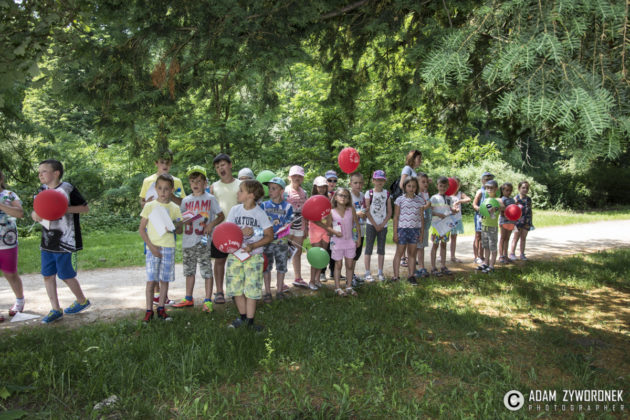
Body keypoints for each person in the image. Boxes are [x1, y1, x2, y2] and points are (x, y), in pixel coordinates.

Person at [31, 159, 90, 324]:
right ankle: (55, 309)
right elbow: (36, 211)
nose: (40, 175)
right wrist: (35, 215)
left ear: (56, 173)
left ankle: (82, 301)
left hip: (66, 241)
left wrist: (62, 209)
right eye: (39, 172)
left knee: (65, 275)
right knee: (47, 275)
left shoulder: (67, 189)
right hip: (47, 241)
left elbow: (85, 208)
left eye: (44, 171)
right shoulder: (41, 190)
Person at [172, 166, 224, 311]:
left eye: (199, 181)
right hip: (188, 241)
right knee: (189, 271)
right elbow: (181, 221)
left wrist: (211, 224)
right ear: (189, 183)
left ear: (205, 183)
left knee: (206, 270)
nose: (195, 184)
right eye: (192, 181)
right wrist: (178, 224)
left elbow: (221, 216)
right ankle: (188, 298)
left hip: (204, 240)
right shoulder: (185, 201)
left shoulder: (210, 198)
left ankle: (207, 300)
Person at [139, 149, 185, 306]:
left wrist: (171, 197)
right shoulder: (148, 181)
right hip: (153, 230)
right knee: (153, 268)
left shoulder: (176, 181)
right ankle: (155, 297)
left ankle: (162, 301)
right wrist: (149, 202)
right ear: (156, 163)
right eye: (161, 162)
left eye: (167, 162)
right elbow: (143, 203)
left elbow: (182, 204)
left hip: (168, 234)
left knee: (165, 270)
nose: (164, 165)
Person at [225, 180, 273, 331]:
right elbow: (227, 231)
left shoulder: (260, 213)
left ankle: (250, 322)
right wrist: (240, 232)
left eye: (241, 190)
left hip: (254, 257)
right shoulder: (235, 210)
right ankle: (243, 317)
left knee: (252, 289)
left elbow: (269, 235)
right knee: (236, 288)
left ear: (251, 195)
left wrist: (253, 246)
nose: (238, 193)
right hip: (235, 255)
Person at [209, 153, 241, 305]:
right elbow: (210, 209)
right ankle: (219, 291)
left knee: (237, 262)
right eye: (217, 167)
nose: (220, 169)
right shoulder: (213, 187)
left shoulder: (241, 185)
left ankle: (235, 290)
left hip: (238, 230)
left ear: (230, 165)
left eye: (222, 165)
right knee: (220, 261)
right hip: (219, 231)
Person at [261, 177, 294, 302]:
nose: (270, 191)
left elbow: (289, 222)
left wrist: (284, 229)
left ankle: (279, 291)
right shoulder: (264, 205)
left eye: (274, 188)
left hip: (281, 242)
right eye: (269, 188)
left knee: (281, 266)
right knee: (266, 267)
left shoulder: (288, 206)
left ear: (281, 191)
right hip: (267, 242)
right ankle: (267, 292)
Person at [0, 170, 25, 322]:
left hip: (7, 242)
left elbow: (20, 213)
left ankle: (20, 301)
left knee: (10, 274)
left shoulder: (9, 195)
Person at [392, 177, 425, 285]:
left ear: (416, 187)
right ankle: (395, 276)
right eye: (409, 186)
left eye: (414, 186)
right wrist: (395, 233)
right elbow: (396, 217)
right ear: (405, 187)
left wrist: (421, 233)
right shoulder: (399, 200)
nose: (411, 188)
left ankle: (411, 276)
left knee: (412, 253)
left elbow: (421, 217)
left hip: (414, 230)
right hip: (402, 230)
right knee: (399, 252)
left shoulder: (420, 200)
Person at [329, 188, 360, 296]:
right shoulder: (331, 211)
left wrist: (358, 238)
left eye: (346, 196)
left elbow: (356, 224)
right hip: (337, 242)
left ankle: (349, 287)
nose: (343, 197)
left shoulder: (351, 209)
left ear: (348, 198)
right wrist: (334, 232)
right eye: (341, 195)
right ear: (335, 197)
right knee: (338, 264)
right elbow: (328, 227)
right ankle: (337, 288)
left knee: (350, 264)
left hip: (350, 241)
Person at [303, 176, 331, 290]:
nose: (322, 189)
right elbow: (308, 215)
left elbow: (330, 214)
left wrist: (329, 228)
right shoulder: (312, 199)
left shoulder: (328, 199)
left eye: (324, 186)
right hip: (315, 230)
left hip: (325, 230)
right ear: (315, 187)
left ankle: (318, 279)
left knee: (323, 255)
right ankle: (311, 280)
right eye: (320, 187)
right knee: (316, 256)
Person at [363, 170, 391, 282]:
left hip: (383, 226)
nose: (379, 182)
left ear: (384, 181)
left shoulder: (387, 193)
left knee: (381, 249)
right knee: (368, 248)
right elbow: (367, 211)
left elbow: (389, 212)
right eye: (377, 180)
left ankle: (380, 272)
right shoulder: (369, 193)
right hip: (371, 225)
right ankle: (367, 272)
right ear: (373, 181)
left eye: (382, 180)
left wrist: (382, 224)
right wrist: (375, 225)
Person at [398, 150, 423, 267]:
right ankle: (403, 258)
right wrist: (409, 197)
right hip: (407, 204)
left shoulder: (413, 170)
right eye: (419, 158)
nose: (420, 161)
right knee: (405, 229)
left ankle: (409, 257)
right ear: (413, 158)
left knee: (411, 228)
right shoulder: (407, 169)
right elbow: (402, 184)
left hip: (413, 204)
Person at [429, 176, 459, 277]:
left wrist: (454, 211)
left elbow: (449, 210)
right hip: (437, 226)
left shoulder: (449, 198)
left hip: (446, 226)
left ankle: (443, 266)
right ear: (437, 186)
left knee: (444, 245)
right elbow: (430, 211)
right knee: (435, 245)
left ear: (447, 187)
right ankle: (433, 267)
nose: (442, 188)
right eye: (441, 186)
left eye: (444, 186)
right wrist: (438, 214)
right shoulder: (434, 198)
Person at [285, 165, 308, 289]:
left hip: (300, 226)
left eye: (299, 176)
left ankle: (298, 277)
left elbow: (306, 211)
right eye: (294, 175)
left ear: (302, 178)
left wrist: (306, 227)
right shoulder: (285, 191)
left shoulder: (304, 193)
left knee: (297, 251)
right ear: (289, 177)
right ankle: (281, 280)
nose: (297, 178)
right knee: (285, 252)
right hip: (288, 226)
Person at [477, 179, 503, 273]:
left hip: (492, 227)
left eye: (491, 188)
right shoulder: (486, 200)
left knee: (493, 246)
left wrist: (495, 208)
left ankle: (492, 265)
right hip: (484, 226)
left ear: (496, 189)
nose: (489, 190)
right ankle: (486, 263)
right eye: (487, 188)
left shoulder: (498, 199)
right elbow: (482, 210)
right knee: (486, 246)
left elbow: (503, 207)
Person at [472, 172, 495, 264]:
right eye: (486, 179)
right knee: (478, 235)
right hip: (479, 216)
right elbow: (474, 204)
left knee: (484, 236)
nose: (488, 181)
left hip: (488, 218)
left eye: (490, 179)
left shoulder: (492, 193)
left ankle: (482, 255)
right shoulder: (480, 191)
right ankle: (476, 256)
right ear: (482, 180)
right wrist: (481, 210)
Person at [349, 173, 366, 287]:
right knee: (351, 254)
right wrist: (357, 214)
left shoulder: (363, 196)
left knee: (357, 254)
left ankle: (352, 275)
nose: (358, 185)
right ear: (350, 183)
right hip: (352, 230)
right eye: (355, 183)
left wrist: (365, 213)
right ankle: (349, 278)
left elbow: (364, 209)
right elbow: (344, 212)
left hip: (361, 228)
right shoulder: (348, 196)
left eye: (360, 183)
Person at [509, 181, 534, 261]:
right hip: (517, 222)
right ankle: (512, 253)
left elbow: (530, 210)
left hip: (526, 221)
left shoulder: (529, 199)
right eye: (523, 188)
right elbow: (511, 211)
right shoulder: (515, 199)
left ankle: (522, 254)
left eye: (527, 188)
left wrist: (531, 221)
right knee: (516, 237)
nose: (525, 189)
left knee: (523, 238)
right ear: (519, 188)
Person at [449, 177, 471, 263]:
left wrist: (459, 201)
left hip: (457, 219)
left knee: (454, 237)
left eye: (457, 184)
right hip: (447, 219)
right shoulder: (448, 193)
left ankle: (452, 256)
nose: (456, 186)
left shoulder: (460, 193)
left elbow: (468, 199)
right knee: (444, 238)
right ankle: (441, 255)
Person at [415, 173, 432, 278]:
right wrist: (427, 206)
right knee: (415, 246)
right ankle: (414, 268)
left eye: (426, 182)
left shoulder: (426, 194)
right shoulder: (416, 195)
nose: (426, 184)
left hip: (425, 224)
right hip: (417, 225)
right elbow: (418, 209)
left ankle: (421, 267)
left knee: (421, 246)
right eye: (423, 182)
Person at [323, 170, 338, 279]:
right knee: (325, 248)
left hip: (335, 225)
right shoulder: (321, 194)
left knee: (335, 248)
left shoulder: (337, 194)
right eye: (329, 180)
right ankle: (322, 272)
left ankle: (334, 271)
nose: (332, 183)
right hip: (324, 226)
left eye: (334, 180)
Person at [498, 182, 515, 264]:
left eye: (510, 190)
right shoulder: (501, 199)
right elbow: (501, 211)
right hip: (504, 221)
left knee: (507, 238)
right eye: (507, 190)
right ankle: (501, 256)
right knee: (502, 238)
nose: (509, 192)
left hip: (511, 221)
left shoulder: (512, 200)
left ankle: (506, 255)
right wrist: (506, 213)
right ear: (503, 190)